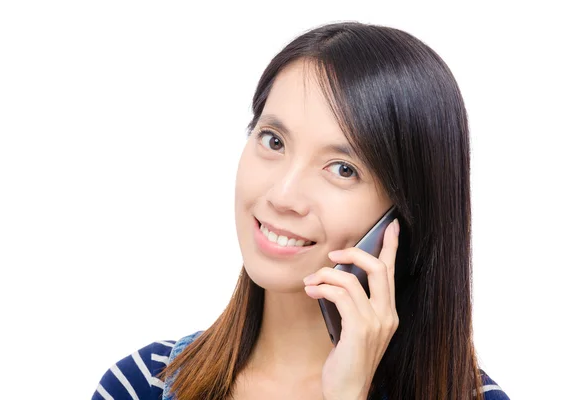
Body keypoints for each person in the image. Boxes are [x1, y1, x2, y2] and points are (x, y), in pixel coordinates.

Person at [92, 21, 510, 400]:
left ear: (402, 217)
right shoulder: (142, 384)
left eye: (342, 169)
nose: (282, 195)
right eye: (273, 140)